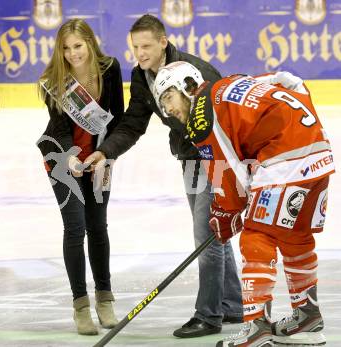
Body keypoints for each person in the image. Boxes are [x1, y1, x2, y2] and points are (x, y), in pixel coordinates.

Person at [84, 14, 243, 337]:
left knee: (206, 233)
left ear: (163, 42)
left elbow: (224, 120)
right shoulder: (142, 77)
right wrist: (106, 152)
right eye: (135, 47)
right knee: (215, 232)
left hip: (217, 157)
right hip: (188, 159)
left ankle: (209, 315)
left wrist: (228, 168)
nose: (140, 53)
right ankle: (232, 305)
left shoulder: (195, 73)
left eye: (146, 46)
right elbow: (133, 123)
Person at [153, 61, 334, 346]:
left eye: (168, 98)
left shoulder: (201, 116)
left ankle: (257, 328)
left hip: (284, 159)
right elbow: (289, 81)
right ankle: (307, 317)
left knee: (256, 235)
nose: (169, 110)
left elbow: (228, 178)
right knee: (295, 237)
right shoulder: (233, 83)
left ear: (187, 86)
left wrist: (225, 216)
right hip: (318, 153)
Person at [36, 19, 124, 336]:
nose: (73, 53)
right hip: (62, 159)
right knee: (75, 229)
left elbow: (117, 117)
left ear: (90, 43)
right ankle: (81, 306)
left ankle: (105, 299)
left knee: (97, 226)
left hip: (99, 158)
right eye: (66, 48)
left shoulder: (109, 69)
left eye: (78, 46)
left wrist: (108, 156)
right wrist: (70, 156)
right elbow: (59, 128)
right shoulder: (53, 80)